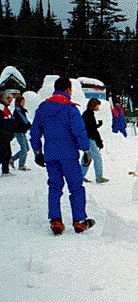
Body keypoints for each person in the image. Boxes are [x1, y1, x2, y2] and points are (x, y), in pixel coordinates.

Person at [30, 77, 95, 235]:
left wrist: (38, 151)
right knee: (76, 188)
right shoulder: (70, 109)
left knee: (54, 187)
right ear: (68, 90)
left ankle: (56, 221)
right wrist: (86, 150)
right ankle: (79, 221)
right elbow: (79, 131)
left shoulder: (42, 108)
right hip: (69, 155)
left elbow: (34, 132)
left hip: (51, 155)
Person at [81, 98, 108, 183]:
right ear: (93, 105)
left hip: (86, 137)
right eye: (97, 105)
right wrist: (99, 142)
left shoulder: (87, 114)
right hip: (90, 138)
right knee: (97, 157)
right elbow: (92, 130)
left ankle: (80, 175)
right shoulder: (89, 114)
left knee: (87, 157)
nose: (98, 107)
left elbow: (90, 127)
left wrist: (97, 125)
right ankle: (99, 177)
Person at [9, 95, 31, 171]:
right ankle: (21, 165)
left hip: (21, 131)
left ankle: (11, 159)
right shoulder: (18, 110)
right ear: (18, 102)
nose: (24, 103)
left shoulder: (21, 109)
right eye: (22, 101)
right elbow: (24, 119)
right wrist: (29, 125)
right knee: (24, 149)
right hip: (19, 132)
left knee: (26, 148)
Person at [0, 92, 15, 176]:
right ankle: (5, 170)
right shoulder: (1, 109)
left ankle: (5, 170)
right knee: (4, 153)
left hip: (6, 136)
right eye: (7, 98)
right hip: (3, 136)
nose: (9, 100)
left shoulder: (6, 109)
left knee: (7, 153)